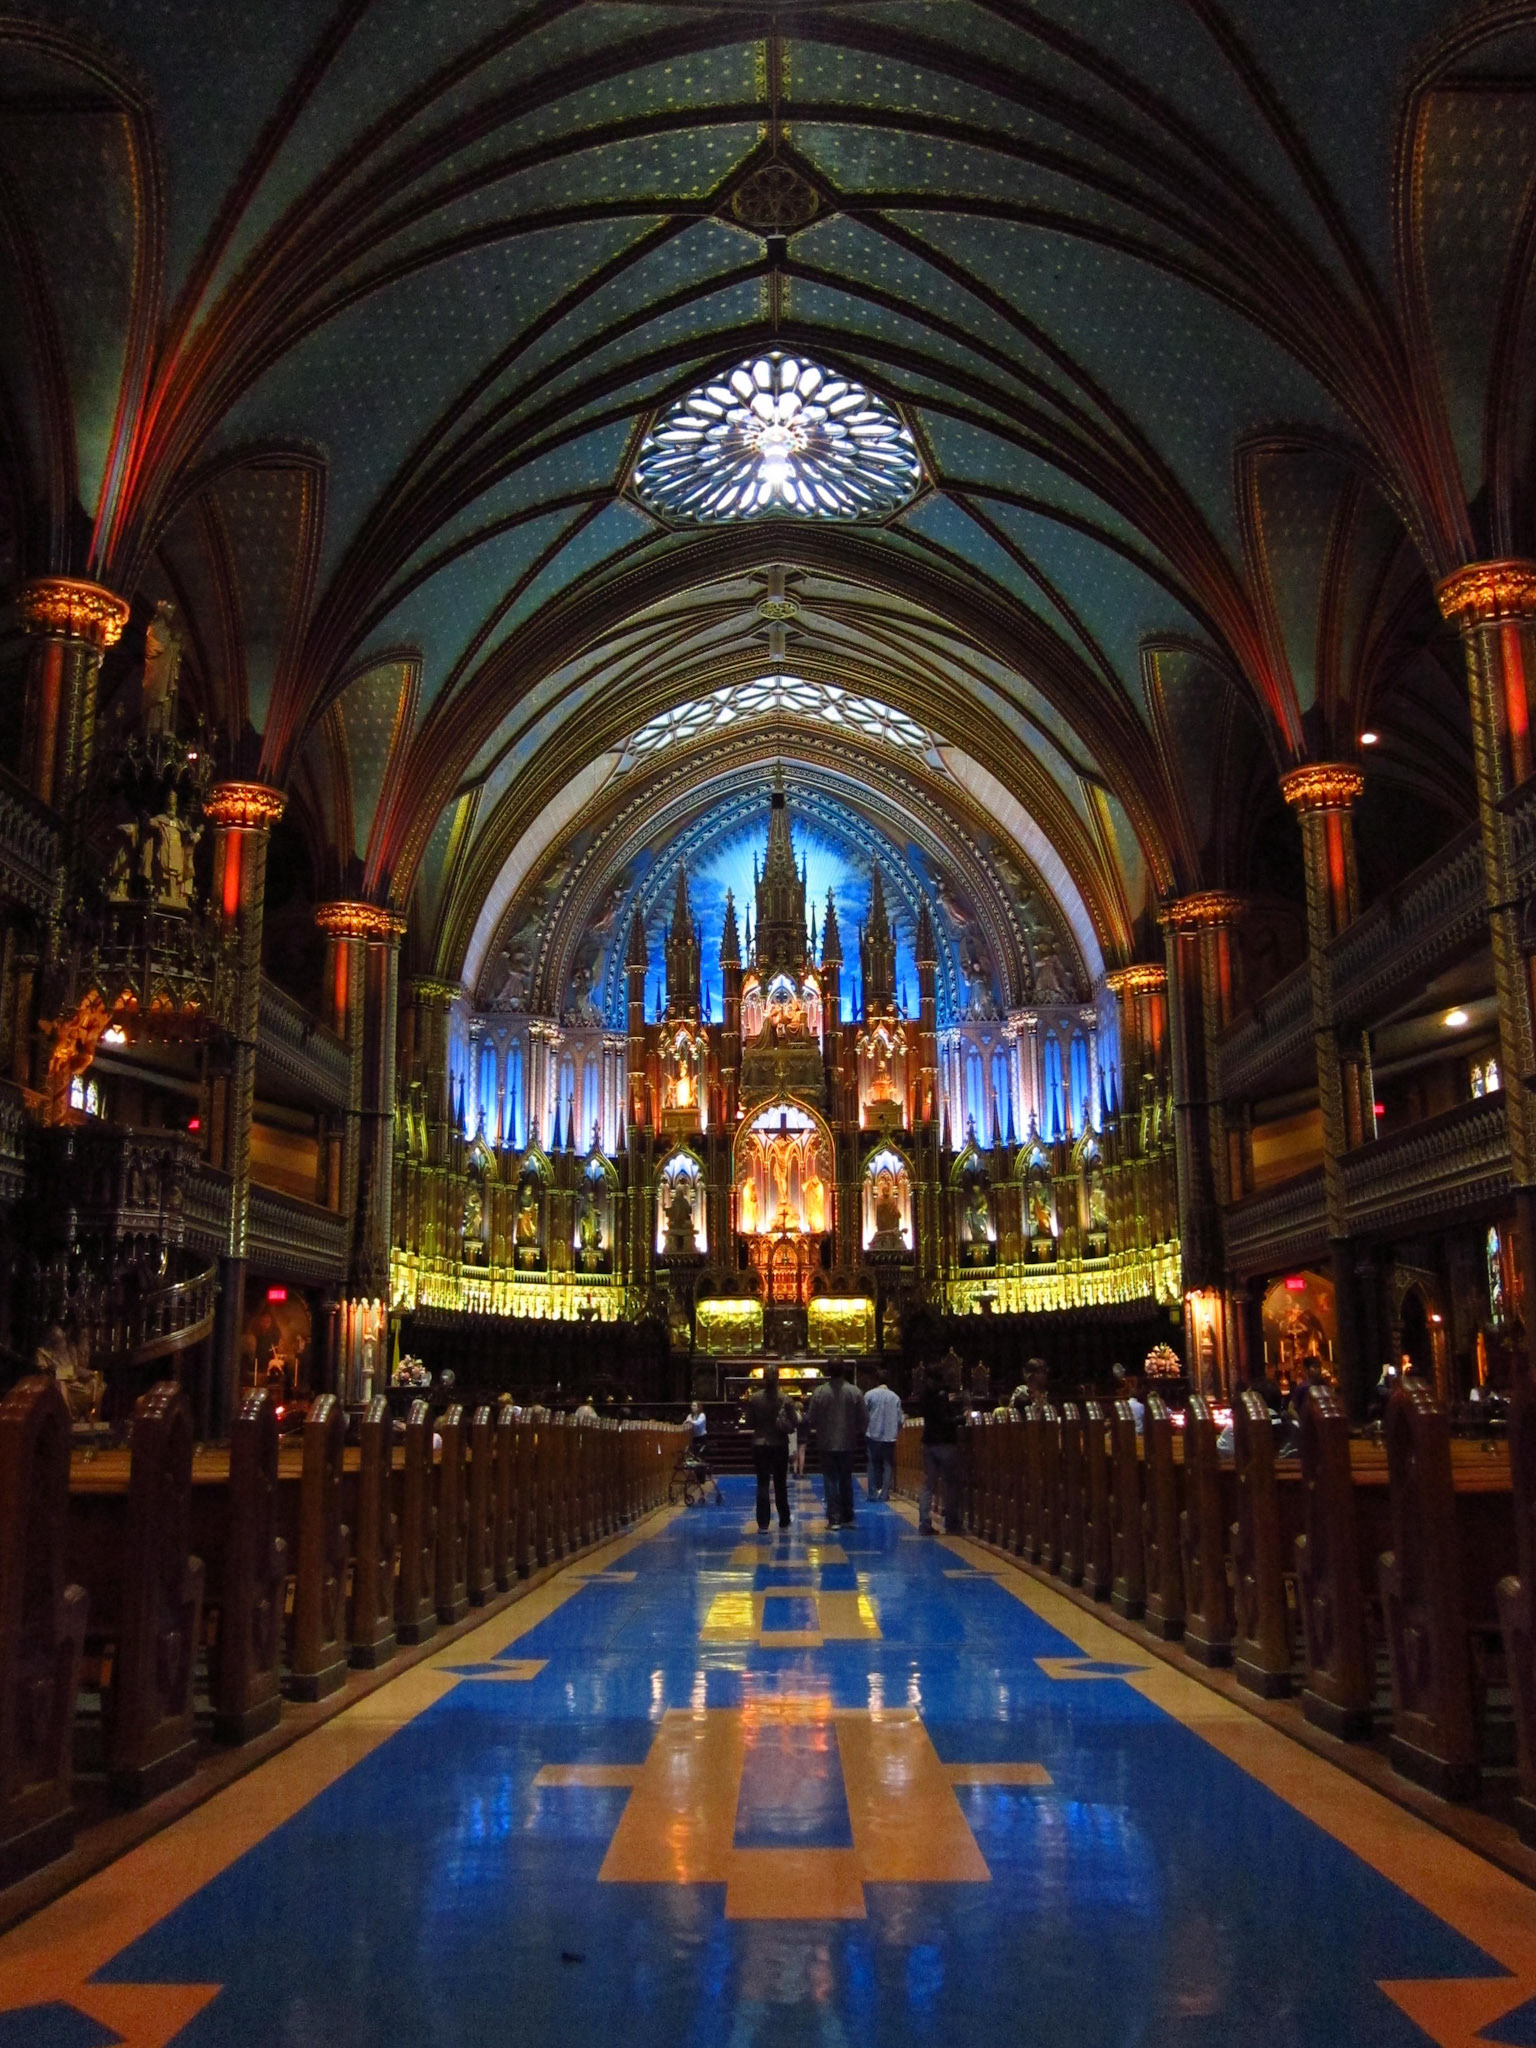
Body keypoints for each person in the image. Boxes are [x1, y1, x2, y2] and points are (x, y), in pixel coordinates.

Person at [808, 1359, 866, 1528]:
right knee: (846, 1478)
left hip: (826, 1442)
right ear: (844, 1370)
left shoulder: (819, 1392)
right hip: (848, 1441)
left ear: (827, 1370)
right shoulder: (854, 1391)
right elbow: (863, 1418)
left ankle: (834, 1518)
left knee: (830, 1479)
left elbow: (811, 1418)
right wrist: (859, 1431)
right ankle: (847, 1516)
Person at [741, 1364, 793, 1531]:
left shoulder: (755, 1398)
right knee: (780, 1483)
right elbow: (793, 1422)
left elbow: (750, 1422)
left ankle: (763, 1522)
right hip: (779, 1443)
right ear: (778, 1378)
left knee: (762, 1482)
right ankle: (784, 1519)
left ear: (763, 1378)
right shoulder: (785, 1398)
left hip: (760, 1444)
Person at [917, 1354, 963, 1534]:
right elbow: (945, 1419)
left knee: (928, 1484)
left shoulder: (924, 1394)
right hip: (944, 1442)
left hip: (928, 1441)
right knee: (951, 1483)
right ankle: (951, 1523)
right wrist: (961, 1418)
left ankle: (924, 1523)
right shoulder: (941, 1394)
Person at [863, 1368, 902, 1501]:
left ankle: (872, 1493)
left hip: (873, 1433)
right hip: (889, 1435)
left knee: (872, 1463)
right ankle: (885, 1493)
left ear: (876, 1380)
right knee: (887, 1464)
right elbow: (899, 1419)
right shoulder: (895, 1397)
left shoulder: (869, 1395)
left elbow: (863, 1415)